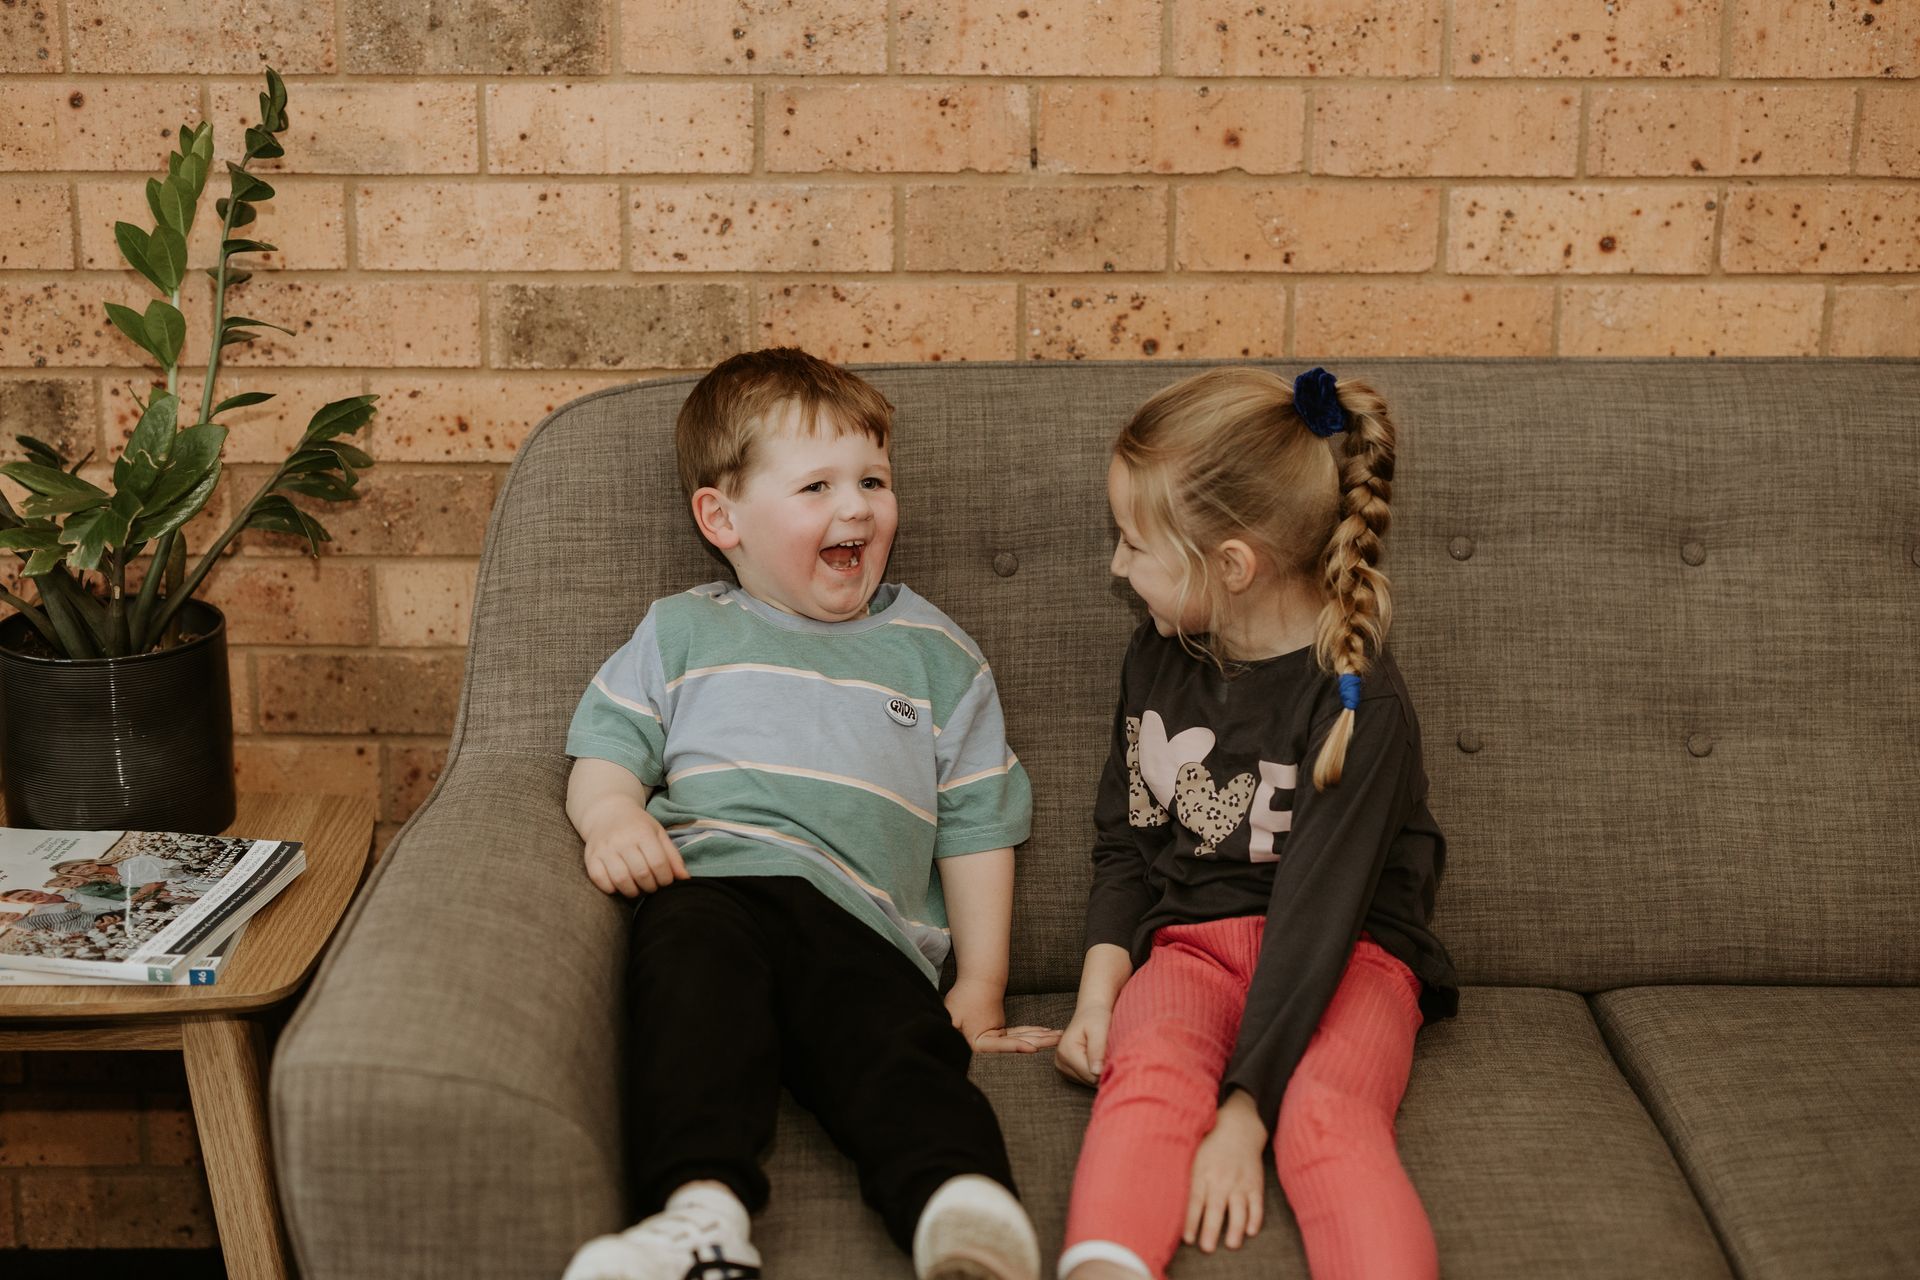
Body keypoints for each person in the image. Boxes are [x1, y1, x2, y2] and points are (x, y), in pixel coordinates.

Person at [561, 348, 1056, 1280]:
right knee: (688, 1009)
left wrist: (980, 986)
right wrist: (612, 818)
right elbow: (606, 754)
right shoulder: (680, 631)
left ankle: (962, 1206)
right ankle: (700, 1214)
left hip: (862, 924)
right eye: (818, 486)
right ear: (723, 518)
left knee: (900, 1053)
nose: (858, 507)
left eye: (873, 479)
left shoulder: (936, 654)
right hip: (713, 890)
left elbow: (979, 823)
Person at [1055, 367, 1460, 1280]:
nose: (1116, 567)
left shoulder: (1359, 707)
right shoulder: (1157, 656)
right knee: (1146, 1077)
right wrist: (1098, 996)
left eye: (1130, 543)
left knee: (1326, 1111)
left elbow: (1318, 922)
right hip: (1192, 948)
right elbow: (1126, 838)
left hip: (1351, 953)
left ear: (1230, 565)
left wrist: (1244, 1115)